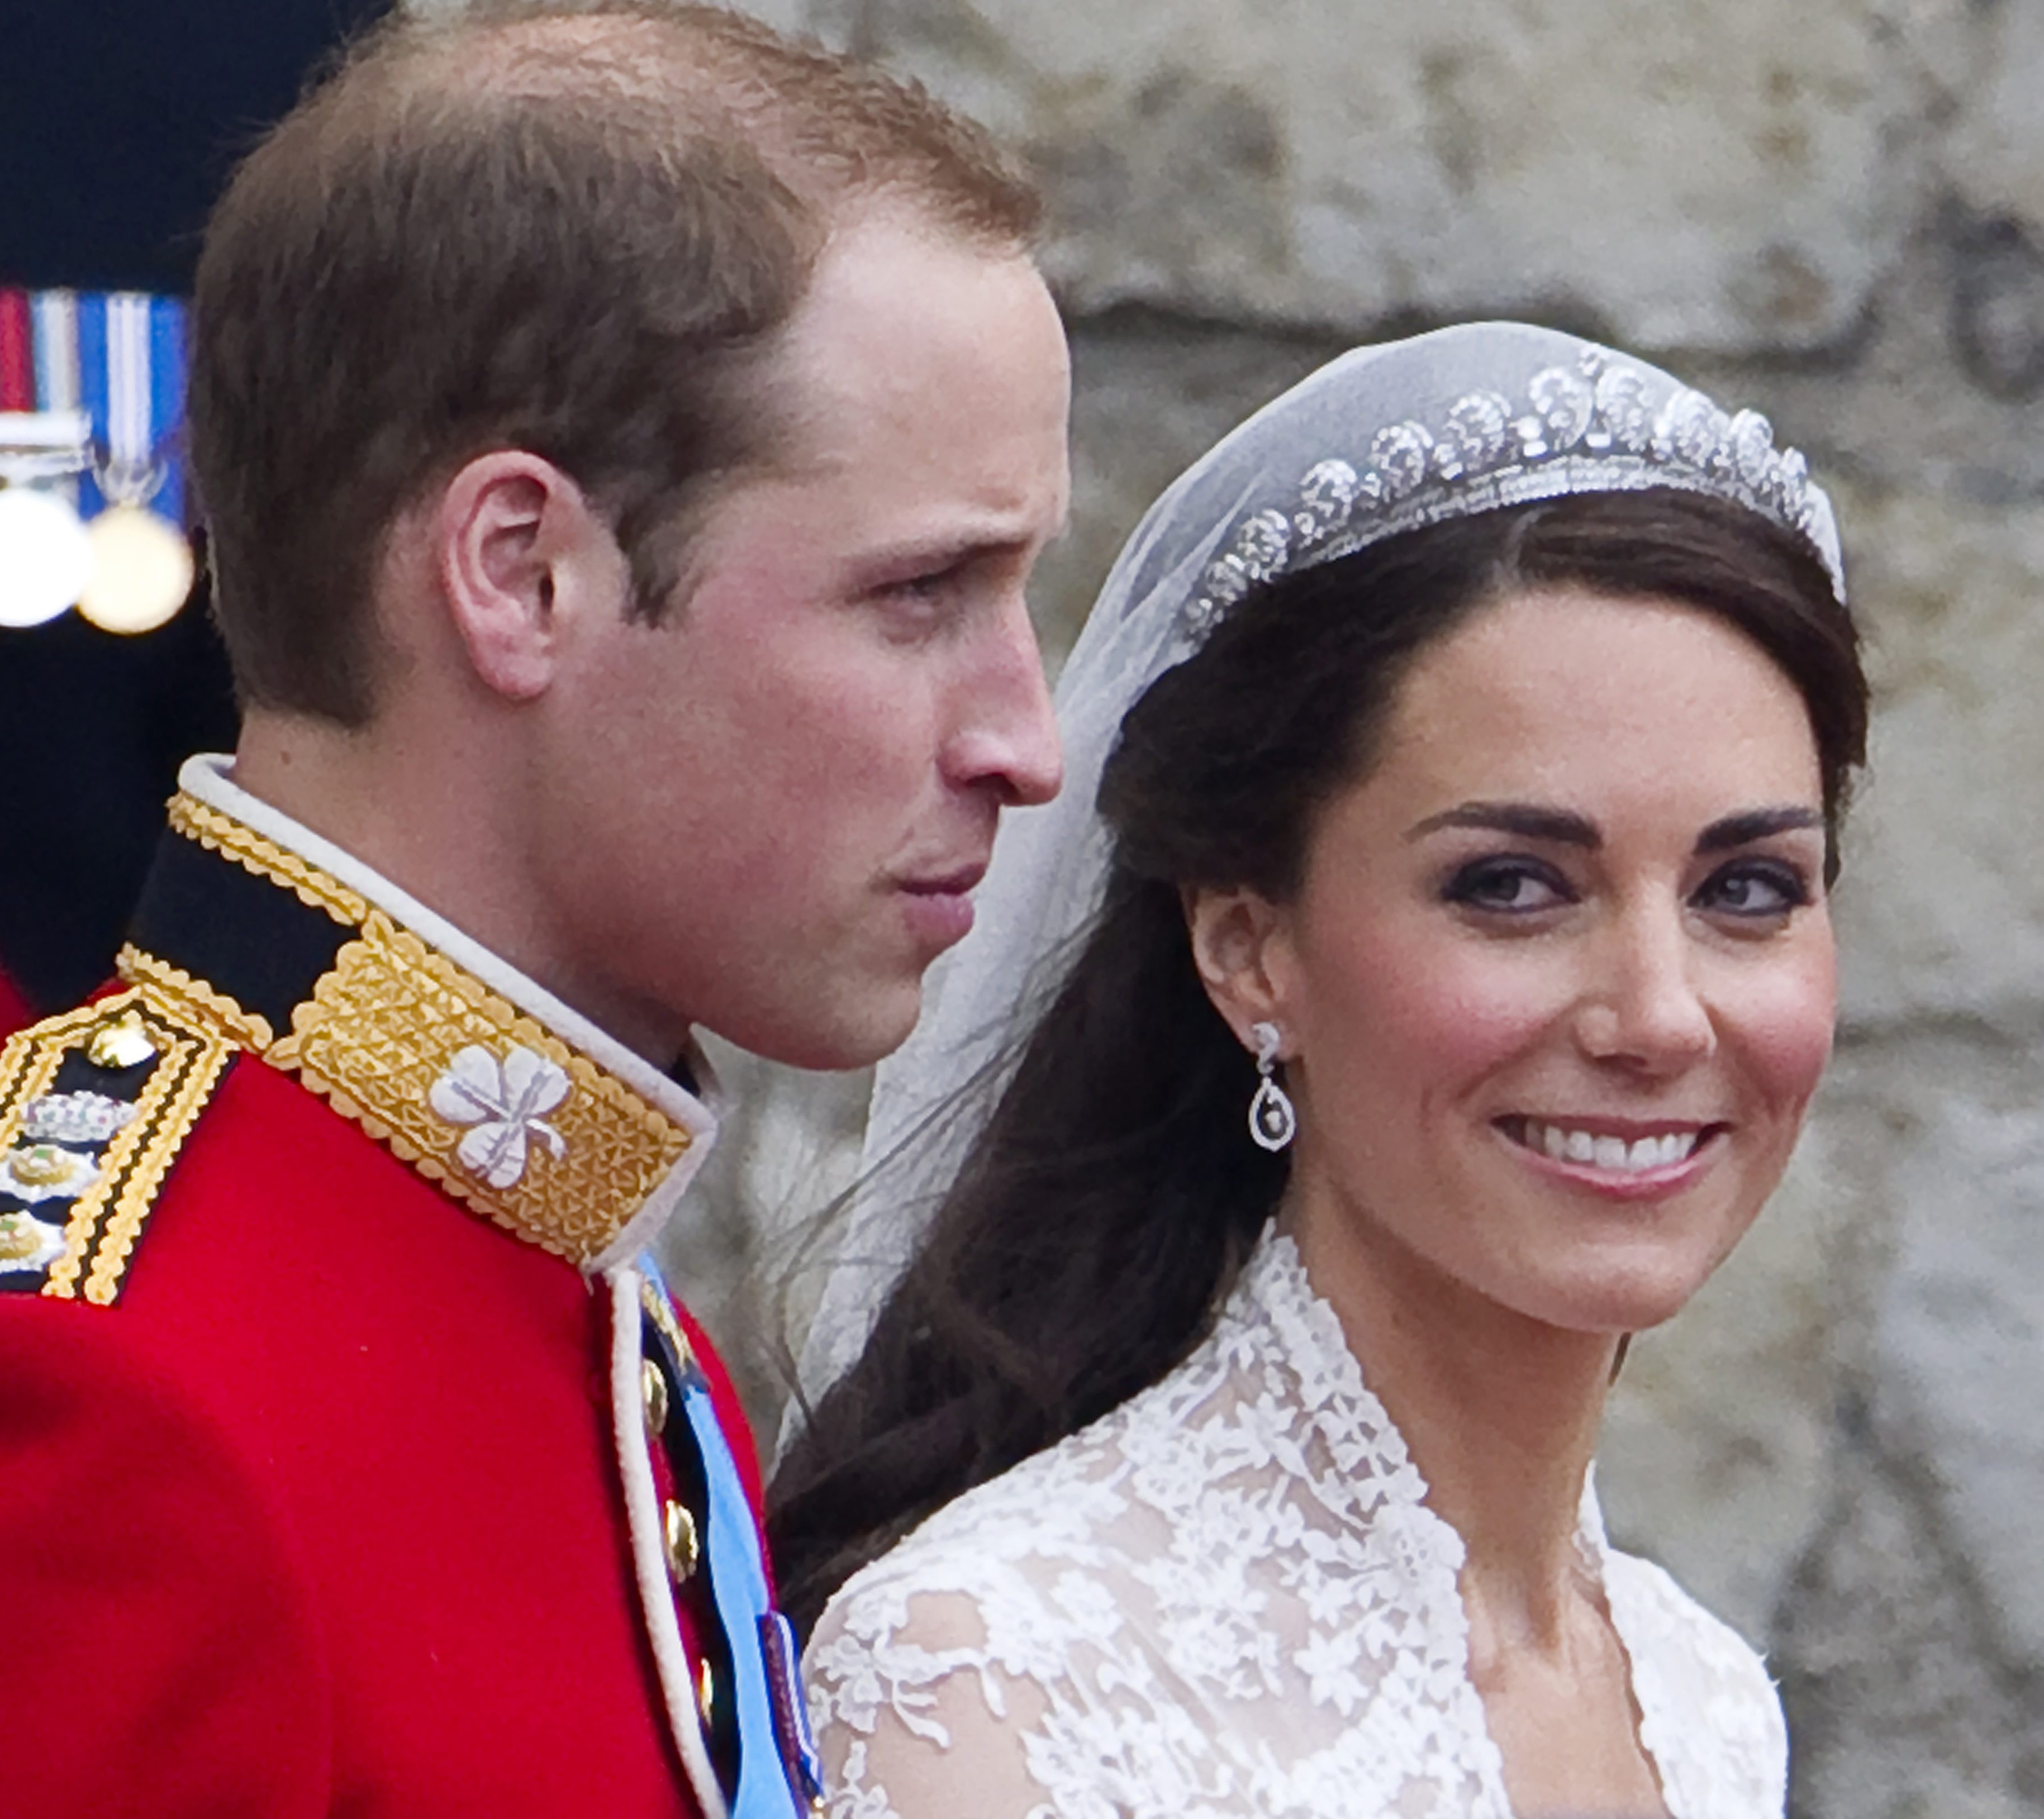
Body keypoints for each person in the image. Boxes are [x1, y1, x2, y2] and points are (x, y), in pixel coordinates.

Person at [0, 4, 1069, 1815]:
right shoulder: (78, 1399)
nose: (1025, 739)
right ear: (522, 573)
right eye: (921, 593)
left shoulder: (598, 1306)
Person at [771, 322, 1866, 1818]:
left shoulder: (1704, 1698)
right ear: (1247, 947)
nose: (1660, 1018)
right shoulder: (999, 1674)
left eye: (1746, 891)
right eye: (1511, 886)